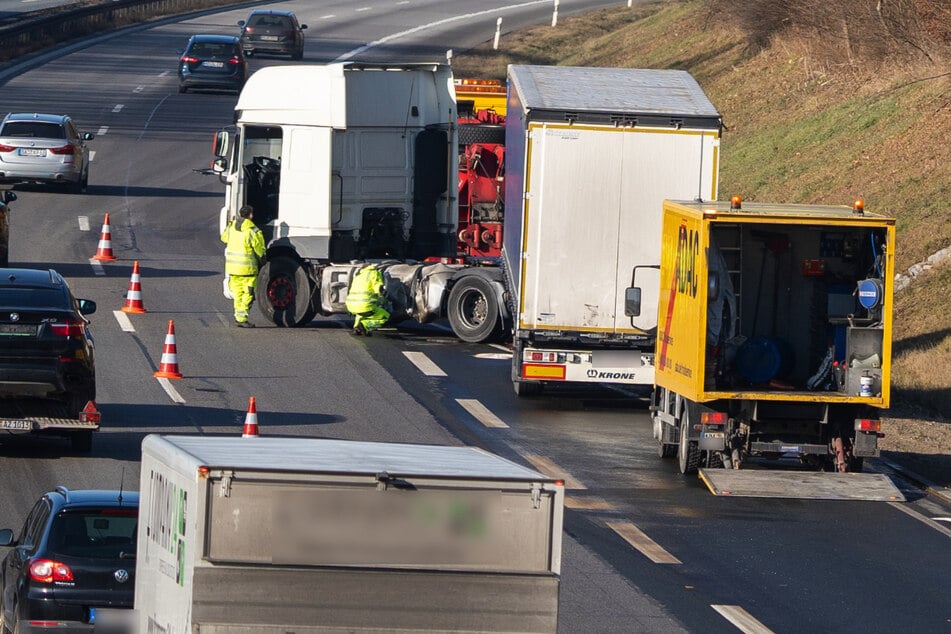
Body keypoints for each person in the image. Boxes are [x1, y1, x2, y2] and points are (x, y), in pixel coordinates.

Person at [221, 205, 266, 328]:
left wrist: (230, 224)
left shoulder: (231, 228)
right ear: (250, 215)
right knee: (248, 295)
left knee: (238, 294)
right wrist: (263, 260)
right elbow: (260, 250)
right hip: (247, 270)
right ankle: (242, 318)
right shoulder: (253, 231)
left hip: (232, 269)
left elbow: (223, 238)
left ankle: (238, 317)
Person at [345, 263, 389, 336]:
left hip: (350, 305)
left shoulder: (358, 275)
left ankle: (356, 327)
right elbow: (378, 289)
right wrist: (385, 299)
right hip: (365, 305)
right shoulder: (374, 273)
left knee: (361, 313)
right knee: (385, 316)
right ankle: (366, 326)